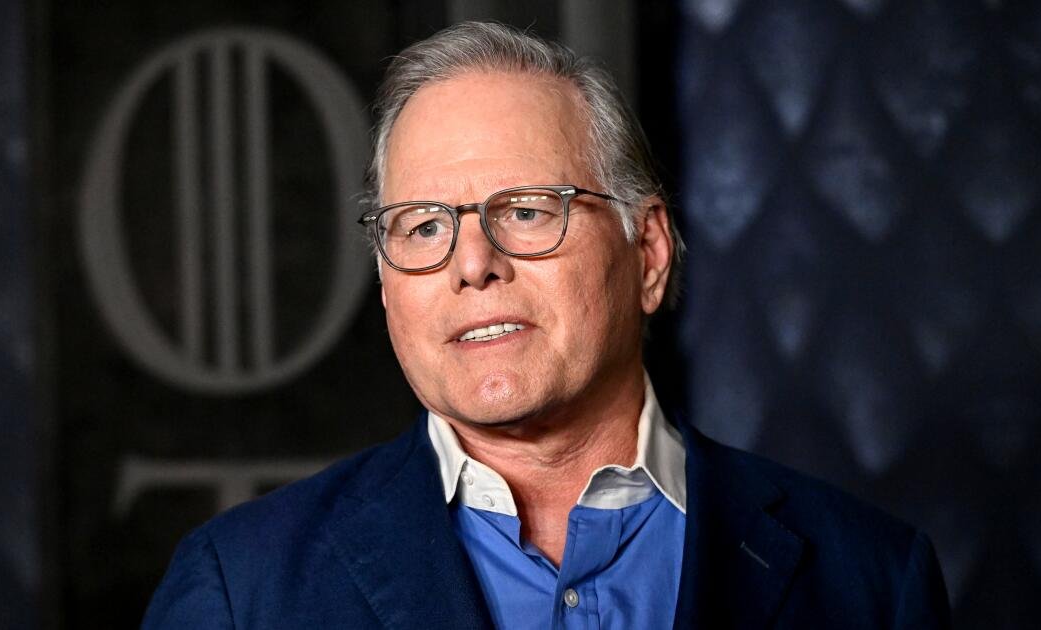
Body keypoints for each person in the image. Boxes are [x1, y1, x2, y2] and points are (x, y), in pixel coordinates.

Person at [142, 21, 950, 629]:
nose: (472, 264)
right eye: (423, 226)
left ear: (649, 252)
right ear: (386, 283)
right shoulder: (240, 589)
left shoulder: (872, 581)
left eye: (527, 211)